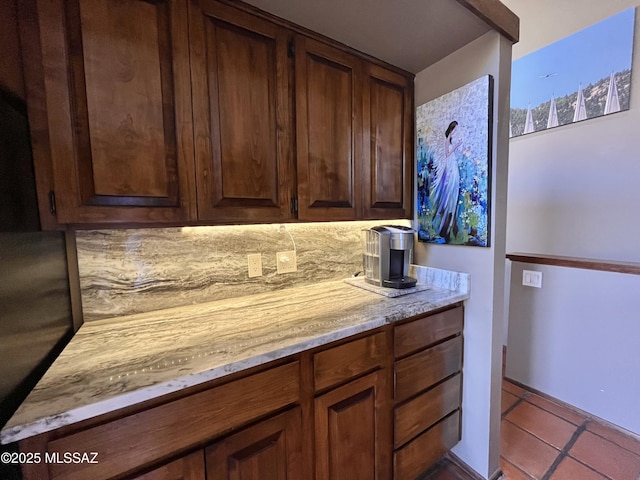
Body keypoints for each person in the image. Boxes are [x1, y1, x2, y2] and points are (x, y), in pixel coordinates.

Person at [429, 120, 462, 240]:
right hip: (450, 166)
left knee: (454, 190)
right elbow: (447, 154)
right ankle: (443, 224)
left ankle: (450, 225)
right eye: (455, 129)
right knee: (449, 191)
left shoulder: (450, 140)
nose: (455, 131)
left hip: (453, 165)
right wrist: (457, 146)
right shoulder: (447, 139)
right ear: (451, 129)